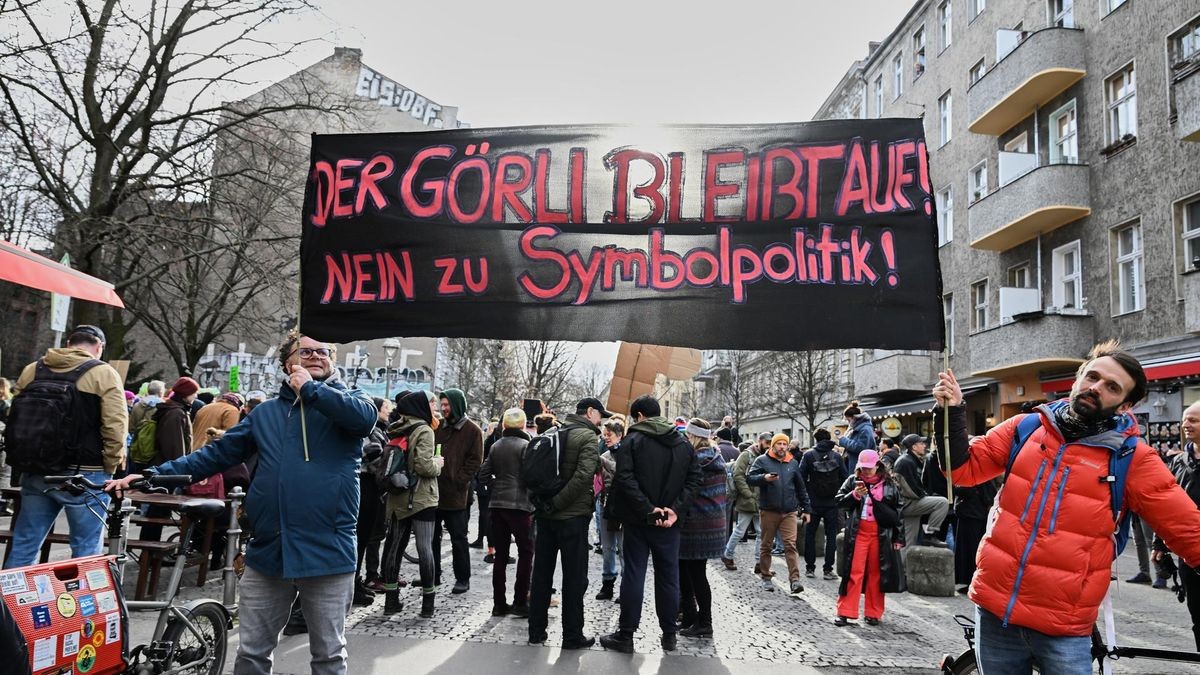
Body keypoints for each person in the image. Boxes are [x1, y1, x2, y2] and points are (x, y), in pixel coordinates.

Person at [106, 330, 375, 675]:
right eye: (306, 352)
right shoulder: (265, 415)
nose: (317, 357)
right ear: (287, 363)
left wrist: (311, 389)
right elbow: (214, 455)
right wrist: (152, 475)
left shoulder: (350, 401)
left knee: (328, 655)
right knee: (251, 654)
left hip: (328, 550)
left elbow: (363, 420)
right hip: (269, 550)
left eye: (324, 352)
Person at [932, 341, 1200, 674]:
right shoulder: (1027, 428)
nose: (1096, 388)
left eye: (1111, 387)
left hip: (1063, 628)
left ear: (1125, 405)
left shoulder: (1133, 459)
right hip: (995, 612)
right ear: (1078, 378)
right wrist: (952, 411)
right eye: (1092, 377)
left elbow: (1190, 531)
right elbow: (962, 469)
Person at [4, 325, 127, 567]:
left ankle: (8, 603)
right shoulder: (103, 373)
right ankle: (78, 604)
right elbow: (115, 426)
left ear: (69, 343)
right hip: (86, 473)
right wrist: (111, 466)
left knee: (25, 543)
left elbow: (14, 417)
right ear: (99, 347)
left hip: (37, 469)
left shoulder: (33, 370)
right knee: (85, 548)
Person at [599, 395, 701, 654]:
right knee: (668, 577)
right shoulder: (683, 443)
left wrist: (647, 508)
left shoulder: (633, 441)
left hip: (639, 520)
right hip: (669, 523)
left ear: (641, 416)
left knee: (634, 574)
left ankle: (626, 634)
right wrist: (675, 510)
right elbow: (694, 480)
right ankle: (669, 635)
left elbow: (624, 478)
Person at [528, 397, 604, 650]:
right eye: (599, 415)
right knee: (574, 578)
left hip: (546, 516)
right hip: (572, 518)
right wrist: (559, 503)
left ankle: (536, 630)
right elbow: (584, 476)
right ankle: (572, 635)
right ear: (590, 412)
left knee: (541, 574)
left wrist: (546, 504)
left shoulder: (554, 431)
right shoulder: (588, 438)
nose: (601, 420)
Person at [381, 390, 443, 618]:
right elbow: (424, 467)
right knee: (425, 548)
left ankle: (390, 601)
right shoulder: (424, 430)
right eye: (431, 404)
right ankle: (428, 604)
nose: (434, 408)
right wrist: (438, 463)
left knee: (394, 547)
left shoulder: (397, 427)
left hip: (398, 496)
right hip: (421, 498)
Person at [833, 449, 905, 626]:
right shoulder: (853, 481)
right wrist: (855, 495)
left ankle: (873, 612)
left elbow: (898, 512)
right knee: (853, 572)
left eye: (869, 468)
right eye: (863, 468)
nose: (866, 471)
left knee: (876, 574)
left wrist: (898, 538)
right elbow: (839, 501)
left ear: (877, 465)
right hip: (858, 533)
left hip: (881, 535)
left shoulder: (890, 484)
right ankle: (845, 611)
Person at [476, 407, 534, 617]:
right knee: (526, 552)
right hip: (520, 507)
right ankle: (520, 601)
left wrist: (495, 486)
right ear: (523, 425)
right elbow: (531, 476)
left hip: (497, 506)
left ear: (504, 425)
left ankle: (499, 603)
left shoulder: (496, 446)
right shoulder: (526, 446)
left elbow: (483, 475)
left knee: (501, 555)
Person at [1153, 400, 1200, 649]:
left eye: (1193, 420)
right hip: (1188, 555)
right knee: (1198, 615)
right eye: (1184, 420)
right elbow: (1165, 504)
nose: (1185, 425)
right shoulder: (1178, 462)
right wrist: (1159, 543)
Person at [677, 418, 726, 639]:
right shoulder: (717, 457)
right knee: (690, 572)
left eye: (687, 436)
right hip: (712, 523)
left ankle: (704, 621)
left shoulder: (695, 460)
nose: (685, 439)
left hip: (696, 523)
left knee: (694, 574)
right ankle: (691, 617)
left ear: (694, 437)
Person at [137, 376, 200, 543]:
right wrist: (180, 469)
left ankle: (150, 551)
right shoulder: (175, 413)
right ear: (186, 393)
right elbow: (174, 446)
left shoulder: (174, 409)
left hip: (164, 466)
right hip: (167, 470)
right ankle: (150, 552)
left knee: (157, 511)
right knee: (157, 511)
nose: (195, 397)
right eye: (194, 393)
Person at [747, 433, 812, 594]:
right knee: (766, 545)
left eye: (785, 444)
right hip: (769, 510)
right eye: (779, 444)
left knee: (790, 545)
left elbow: (801, 488)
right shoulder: (762, 460)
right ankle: (766, 576)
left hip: (789, 511)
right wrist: (764, 478)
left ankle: (795, 580)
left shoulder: (793, 462)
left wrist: (806, 509)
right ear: (773, 445)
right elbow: (749, 478)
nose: (782, 447)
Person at [433, 388, 483, 594]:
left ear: (457, 405)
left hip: (457, 495)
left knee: (458, 539)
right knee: (431, 538)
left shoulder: (472, 430)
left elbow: (475, 461)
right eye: (441, 405)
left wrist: (459, 479)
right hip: (434, 493)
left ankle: (462, 578)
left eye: (447, 405)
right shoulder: (439, 427)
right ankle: (432, 574)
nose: (443, 409)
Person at [354, 397, 391, 606]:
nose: (388, 411)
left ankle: (355, 581)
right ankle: (353, 583)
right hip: (366, 483)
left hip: (370, 484)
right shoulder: (371, 430)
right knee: (361, 537)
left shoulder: (378, 429)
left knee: (364, 536)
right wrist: (389, 477)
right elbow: (374, 459)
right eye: (385, 407)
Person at [800, 428, 848, 580]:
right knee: (831, 535)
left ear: (815, 439)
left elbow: (800, 478)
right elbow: (845, 477)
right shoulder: (836, 456)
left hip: (812, 503)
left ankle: (810, 568)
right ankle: (828, 569)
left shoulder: (808, 455)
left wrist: (806, 496)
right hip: (832, 503)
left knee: (810, 535)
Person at [892, 434, 950, 554]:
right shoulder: (906, 461)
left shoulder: (909, 459)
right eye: (921, 443)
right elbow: (911, 490)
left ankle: (902, 571)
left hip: (905, 503)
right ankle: (930, 534)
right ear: (914, 447)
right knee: (942, 502)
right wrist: (926, 496)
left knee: (908, 542)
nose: (925, 445)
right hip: (908, 503)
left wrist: (926, 495)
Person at [720, 431, 764, 572]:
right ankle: (728, 555)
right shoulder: (746, 455)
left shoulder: (765, 456)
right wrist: (748, 494)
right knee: (740, 530)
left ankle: (759, 563)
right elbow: (738, 475)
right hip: (748, 499)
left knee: (760, 532)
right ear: (760, 441)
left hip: (760, 500)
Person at [594, 417, 625, 601]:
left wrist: (602, 462)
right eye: (604, 435)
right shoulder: (604, 455)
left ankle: (625, 586)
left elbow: (620, 472)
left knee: (623, 548)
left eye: (609, 434)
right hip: (605, 504)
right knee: (607, 548)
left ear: (619, 435)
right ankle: (608, 583)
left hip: (622, 506)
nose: (606, 438)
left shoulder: (628, 454)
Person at [836, 400, 876, 472]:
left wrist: (843, 440)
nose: (848, 423)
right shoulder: (859, 428)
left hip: (861, 467)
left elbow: (861, 447)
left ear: (854, 418)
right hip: (857, 465)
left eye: (848, 420)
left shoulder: (865, 429)